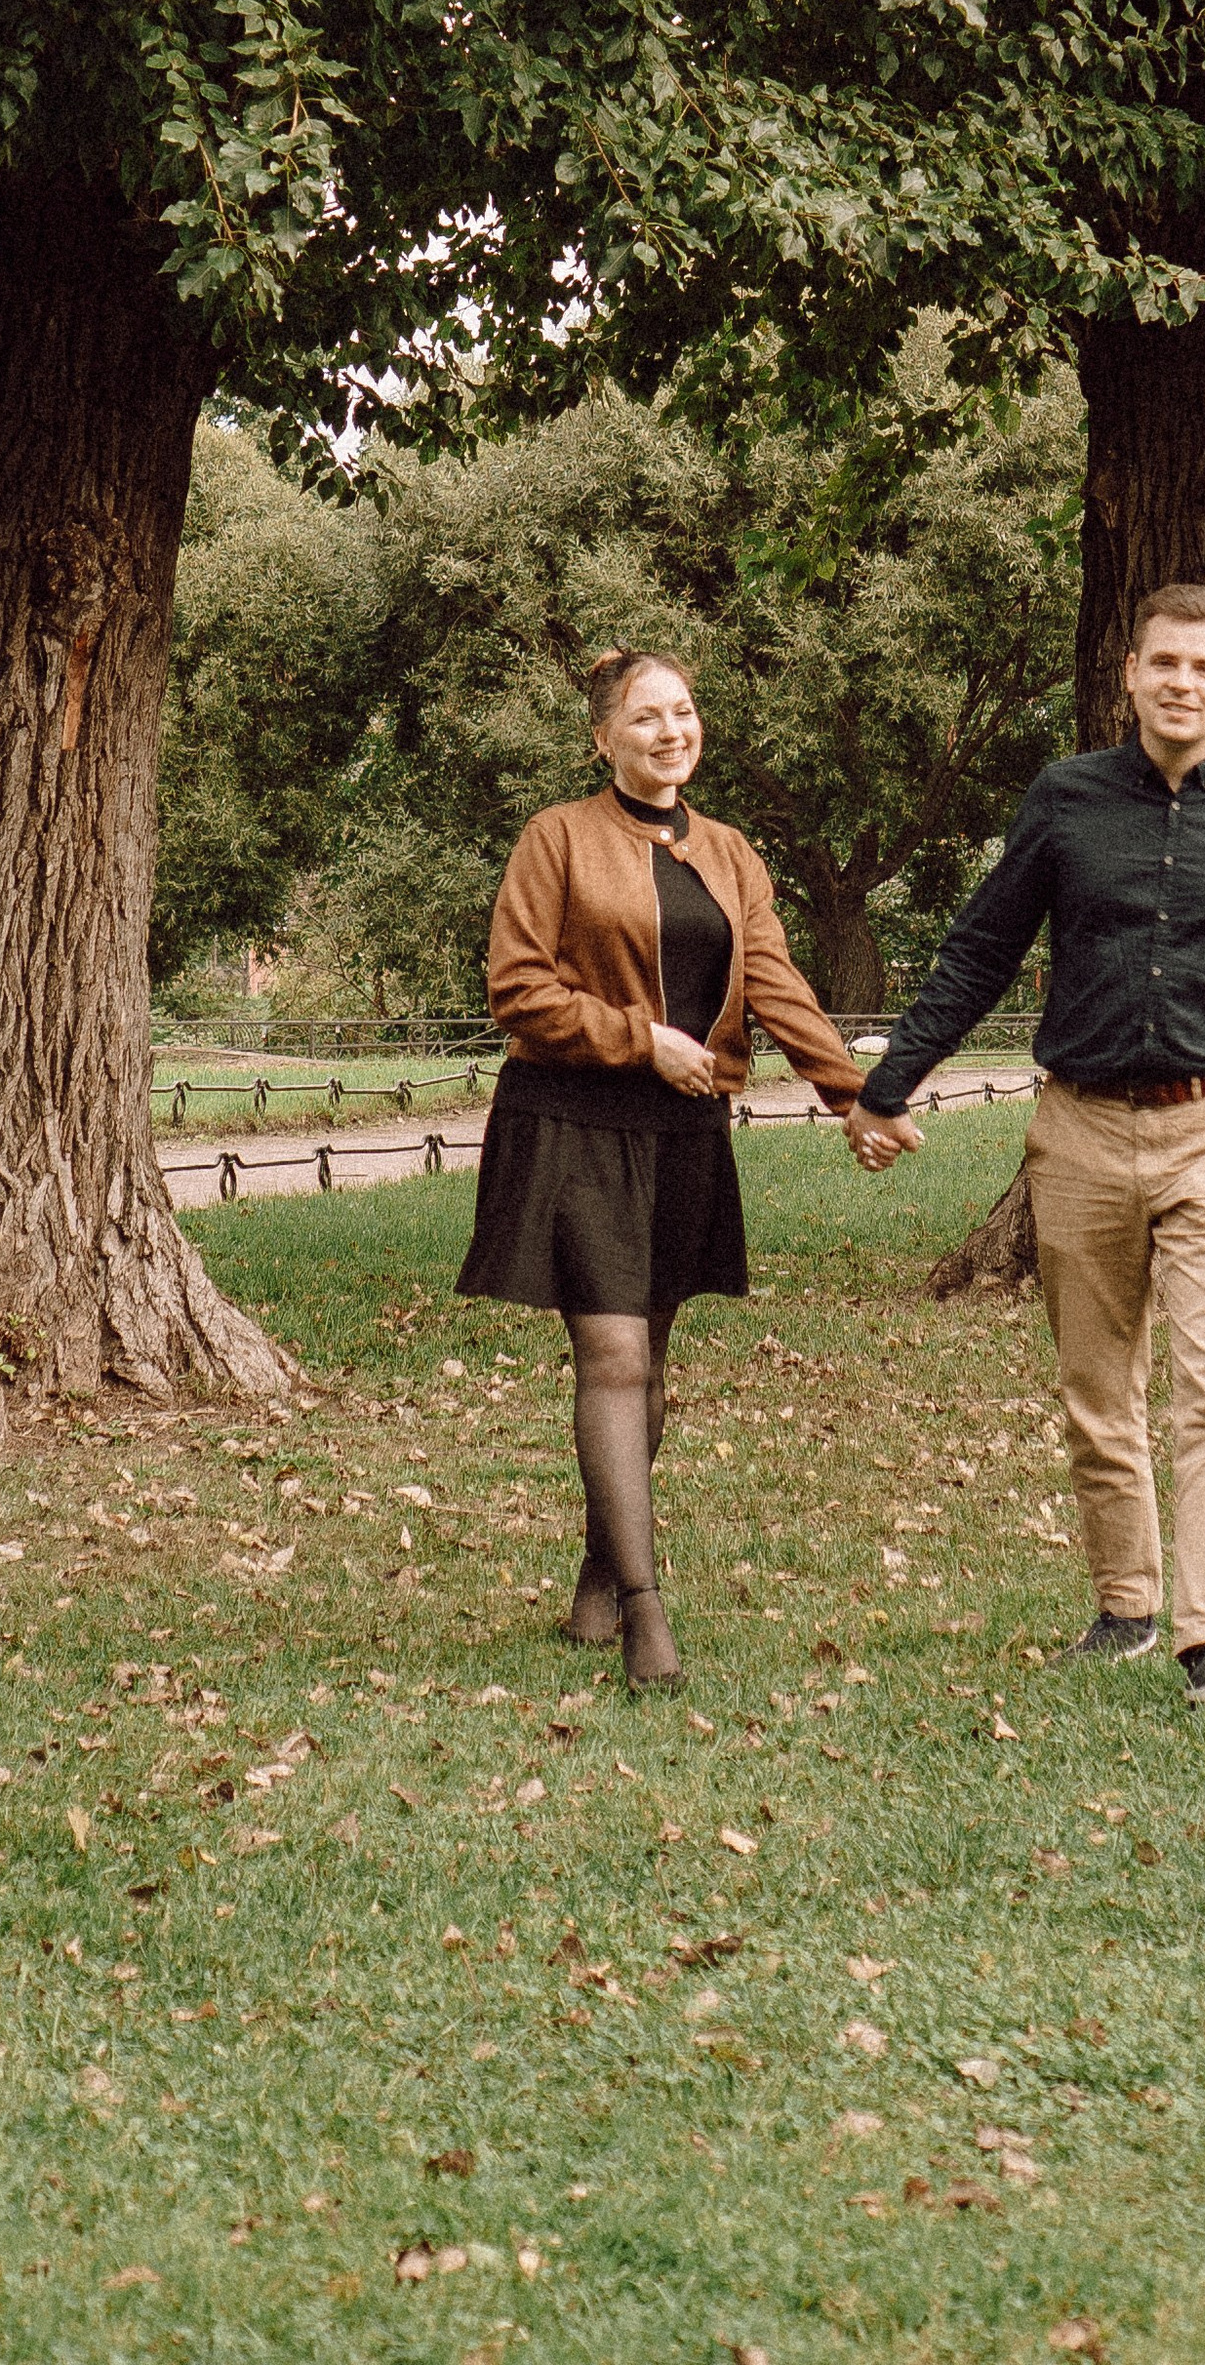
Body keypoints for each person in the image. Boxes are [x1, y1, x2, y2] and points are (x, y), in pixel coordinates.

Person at [846, 584, 1205, 1719]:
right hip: (1079, 1132)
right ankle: (1126, 1609)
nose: (1182, 684)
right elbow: (981, 950)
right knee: (1097, 1389)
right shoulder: (1065, 799)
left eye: (1204, 668)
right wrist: (889, 1081)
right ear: (1130, 673)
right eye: (1164, 663)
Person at [463, 647, 868, 1691]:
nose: (669, 731)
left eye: (682, 712)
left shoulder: (728, 853)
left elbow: (774, 982)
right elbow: (517, 988)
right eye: (645, 717)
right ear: (604, 738)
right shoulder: (556, 837)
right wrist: (641, 1041)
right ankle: (646, 1609)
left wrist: (852, 1096)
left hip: (686, 1130)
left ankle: (600, 1575)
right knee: (612, 1356)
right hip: (573, 1121)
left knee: (649, 1357)